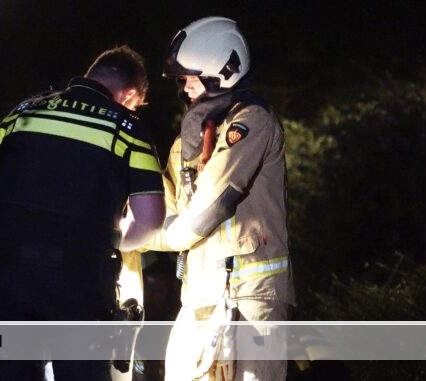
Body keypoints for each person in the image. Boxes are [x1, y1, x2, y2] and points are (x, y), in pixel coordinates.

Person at [0, 45, 165, 381]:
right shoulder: (129, 131)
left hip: (6, 275)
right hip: (80, 284)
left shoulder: (23, 112)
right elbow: (149, 220)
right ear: (131, 93)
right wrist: (118, 240)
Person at [142, 16, 296, 381]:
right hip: (201, 297)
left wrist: (143, 235)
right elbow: (170, 204)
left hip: (250, 301)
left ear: (221, 70)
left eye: (187, 78)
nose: (183, 88)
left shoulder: (252, 121)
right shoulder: (190, 136)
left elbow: (210, 207)